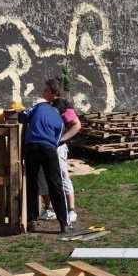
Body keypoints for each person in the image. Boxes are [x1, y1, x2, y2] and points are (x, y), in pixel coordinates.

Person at [18, 79, 71, 234]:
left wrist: (19, 113)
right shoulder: (60, 121)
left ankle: (32, 221)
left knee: (32, 184)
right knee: (55, 184)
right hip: (49, 149)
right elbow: (57, 140)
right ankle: (64, 224)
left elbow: (23, 117)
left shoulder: (39, 106)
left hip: (32, 146)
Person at [37, 98, 81, 227]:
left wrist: (61, 139)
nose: (43, 92)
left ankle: (71, 210)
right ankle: (49, 209)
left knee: (62, 176)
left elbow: (76, 124)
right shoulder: (46, 106)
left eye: (45, 89)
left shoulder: (62, 106)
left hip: (58, 147)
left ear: (52, 92)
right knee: (42, 175)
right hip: (45, 146)